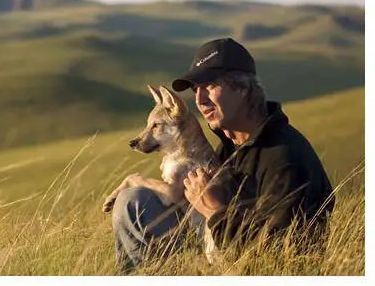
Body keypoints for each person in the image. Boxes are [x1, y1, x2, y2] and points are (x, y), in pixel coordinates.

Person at [111, 37, 335, 272]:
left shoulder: (284, 158)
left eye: (210, 85)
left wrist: (215, 209)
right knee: (135, 201)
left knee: (132, 202)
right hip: (218, 249)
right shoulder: (232, 146)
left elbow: (281, 255)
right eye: (196, 89)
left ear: (243, 89)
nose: (199, 99)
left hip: (251, 266)